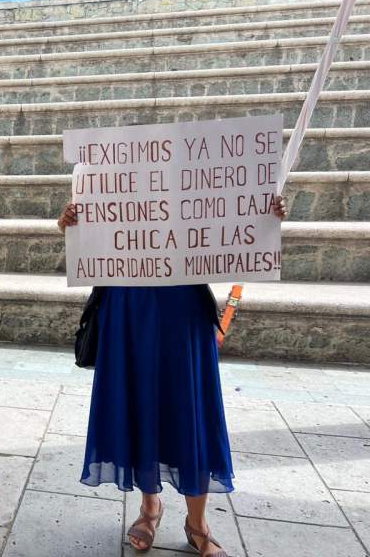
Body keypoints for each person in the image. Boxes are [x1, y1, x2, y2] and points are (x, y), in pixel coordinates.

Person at [58, 195, 287, 557]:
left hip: (182, 305)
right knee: (144, 402)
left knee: (190, 406)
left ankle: (197, 522)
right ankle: (151, 507)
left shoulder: (200, 174)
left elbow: (232, 231)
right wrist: (69, 223)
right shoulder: (115, 173)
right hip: (127, 305)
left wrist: (263, 215)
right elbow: (91, 239)